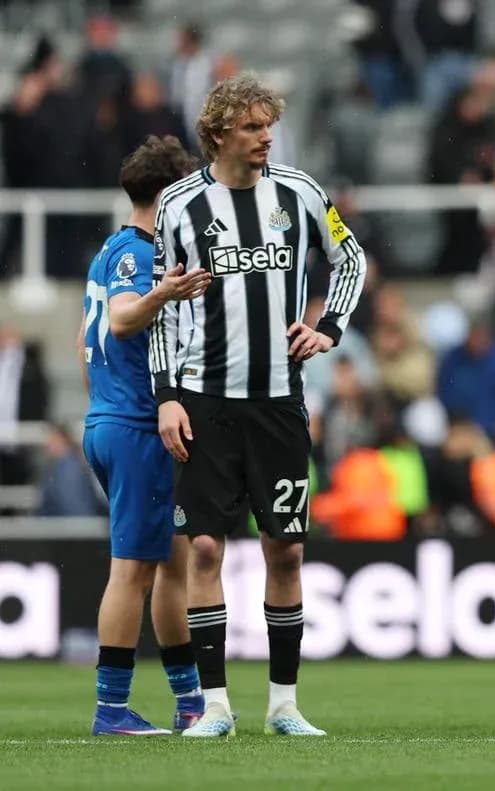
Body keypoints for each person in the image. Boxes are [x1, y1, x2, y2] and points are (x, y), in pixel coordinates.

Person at [149, 74, 367, 737]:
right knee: (207, 550)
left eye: (268, 124)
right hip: (205, 400)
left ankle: (283, 704)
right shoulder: (179, 205)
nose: (265, 135)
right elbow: (161, 308)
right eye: (250, 126)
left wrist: (328, 326)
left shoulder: (301, 193)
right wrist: (165, 398)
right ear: (217, 134)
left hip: (279, 402)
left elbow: (350, 258)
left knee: (288, 551)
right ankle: (215, 705)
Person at [78, 135, 211, 736]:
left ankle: (190, 702)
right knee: (132, 568)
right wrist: (167, 291)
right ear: (167, 194)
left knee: (170, 562)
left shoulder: (109, 248)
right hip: (135, 425)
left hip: (113, 419)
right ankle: (111, 709)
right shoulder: (137, 252)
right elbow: (124, 317)